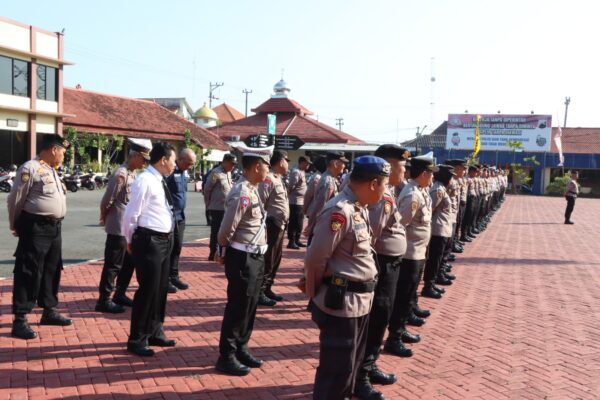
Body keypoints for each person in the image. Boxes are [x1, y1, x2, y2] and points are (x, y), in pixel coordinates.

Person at [303, 155, 389, 400]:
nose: (385, 191)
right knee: (336, 371)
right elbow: (315, 258)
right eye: (384, 184)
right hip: (342, 305)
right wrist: (314, 292)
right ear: (373, 183)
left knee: (349, 367)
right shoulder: (340, 211)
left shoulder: (357, 208)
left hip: (359, 303)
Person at [354, 145, 410, 400]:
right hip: (382, 264)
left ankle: (370, 365)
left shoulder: (390, 193)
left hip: (391, 264)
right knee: (376, 319)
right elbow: (371, 237)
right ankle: (360, 377)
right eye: (401, 165)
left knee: (381, 318)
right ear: (388, 165)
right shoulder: (382, 198)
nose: (405, 170)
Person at [8, 134, 72, 340]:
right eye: (63, 152)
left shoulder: (52, 170)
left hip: (54, 228)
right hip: (35, 226)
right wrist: (15, 224)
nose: (63, 156)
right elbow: (15, 200)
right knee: (29, 270)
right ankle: (20, 320)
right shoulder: (30, 168)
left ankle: (49, 310)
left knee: (51, 269)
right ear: (54, 149)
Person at [215, 146, 272, 376]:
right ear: (257, 166)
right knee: (238, 307)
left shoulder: (253, 189)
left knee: (250, 306)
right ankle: (226, 355)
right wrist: (222, 250)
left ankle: (241, 347)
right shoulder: (242, 192)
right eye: (267, 164)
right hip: (243, 257)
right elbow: (226, 228)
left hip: (256, 256)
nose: (268, 168)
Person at [122, 142, 177, 357]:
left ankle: (155, 330)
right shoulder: (145, 180)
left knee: (160, 289)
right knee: (147, 290)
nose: (174, 165)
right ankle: (137, 338)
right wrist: (130, 240)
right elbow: (131, 214)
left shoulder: (159, 179)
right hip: (149, 241)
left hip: (164, 240)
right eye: (173, 161)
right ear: (163, 160)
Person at [385, 156, 437, 358]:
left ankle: (401, 329)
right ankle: (394, 338)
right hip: (409, 255)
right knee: (402, 298)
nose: (432, 176)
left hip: (418, 252)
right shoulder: (412, 196)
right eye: (431, 173)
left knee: (408, 297)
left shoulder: (421, 191)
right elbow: (400, 225)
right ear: (424, 174)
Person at [96, 138, 151, 313]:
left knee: (129, 263)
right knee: (113, 264)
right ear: (134, 155)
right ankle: (104, 300)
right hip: (118, 226)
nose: (144, 163)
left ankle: (120, 293)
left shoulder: (133, 173)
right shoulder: (121, 173)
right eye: (143, 158)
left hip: (128, 227)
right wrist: (104, 216)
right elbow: (107, 200)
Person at [257, 150, 290, 306]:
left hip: (280, 224)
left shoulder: (278, 178)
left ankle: (268, 287)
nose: (288, 164)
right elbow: (261, 201)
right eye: (286, 160)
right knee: (269, 258)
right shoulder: (269, 179)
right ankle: (260, 291)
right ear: (280, 161)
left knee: (276, 258)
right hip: (272, 223)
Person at [165, 148, 197, 293]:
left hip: (181, 217)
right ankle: (164, 280)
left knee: (177, 248)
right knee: (168, 249)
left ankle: (174, 276)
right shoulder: (170, 171)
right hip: (169, 217)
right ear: (181, 159)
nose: (190, 167)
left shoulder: (184, 172)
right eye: (189, 163)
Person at [421, 165, 456, 299]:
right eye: (451, 177)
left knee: (438, 258)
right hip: (438, 229)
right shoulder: (437, 190)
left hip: (443, 229)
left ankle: (433, 282)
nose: (452, 180)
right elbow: (431, 210)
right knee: (434, 260)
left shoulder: (442, 189)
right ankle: (428, 286)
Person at [304, 151, 349, 241]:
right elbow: (319, 207)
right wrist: (311, 226)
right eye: (342, 163)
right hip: (321, 226)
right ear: (335, 164)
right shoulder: (327, 181)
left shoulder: (330, 178)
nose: (344, 166)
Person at [204, 154, 237, 261]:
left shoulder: (228, 172)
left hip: (226, 208)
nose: (233, 167)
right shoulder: (216, 172)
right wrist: (208, 205)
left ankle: (221, 253)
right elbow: (207, 189)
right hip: (217, 208)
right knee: (216, 231)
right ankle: (212, 253)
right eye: (232, 164)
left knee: (224, 231)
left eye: (234, 164)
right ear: (225, 162)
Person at [287, 156, 311, 249]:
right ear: (301, 162)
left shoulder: (302, 171)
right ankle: (291, 241)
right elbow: (291, 186)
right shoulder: (296, 172)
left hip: (301, 202)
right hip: (295, 202)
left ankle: (297, 239)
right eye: (307, 163)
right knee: (294, 222)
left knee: (299, 222)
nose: (308, 165)